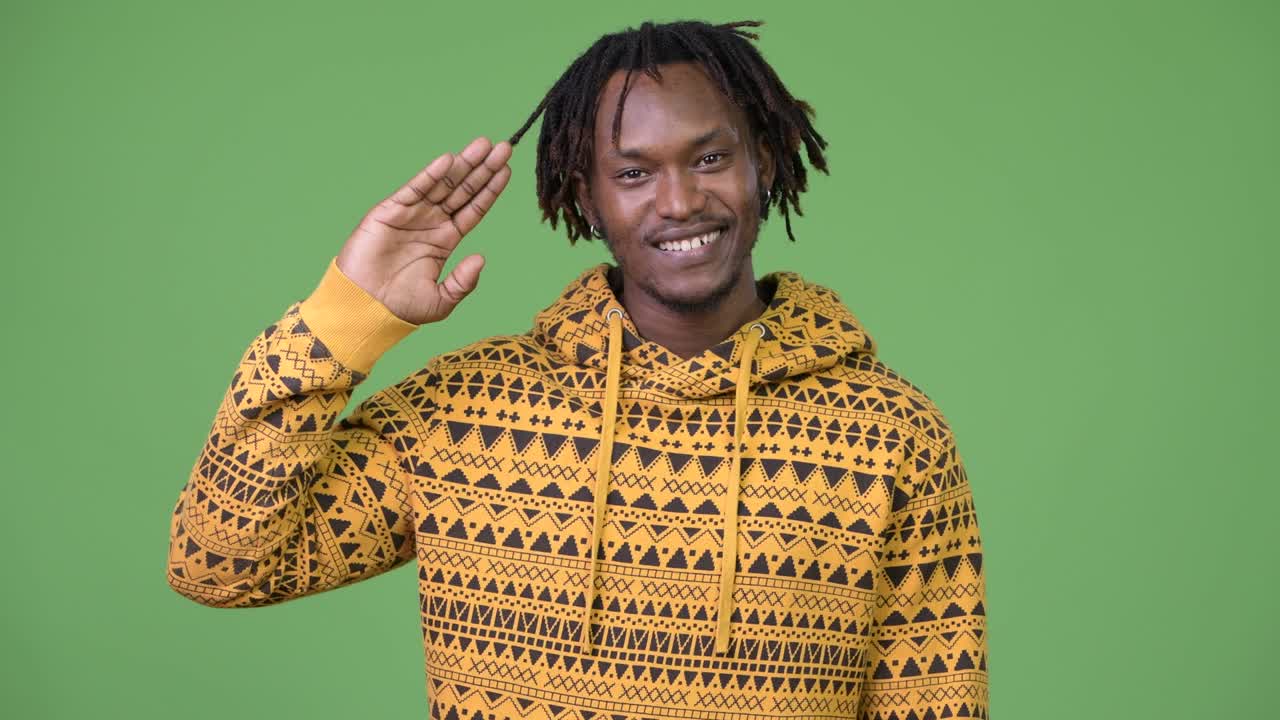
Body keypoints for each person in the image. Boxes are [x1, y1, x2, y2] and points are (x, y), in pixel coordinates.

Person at [166, 19, 989, 720]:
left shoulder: (892, 435)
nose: (677, 202)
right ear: (586, 198)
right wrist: (347, 315)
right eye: (633, 173)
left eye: (709, 159)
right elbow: (222, 560)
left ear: (765, 163)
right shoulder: (465, 413)